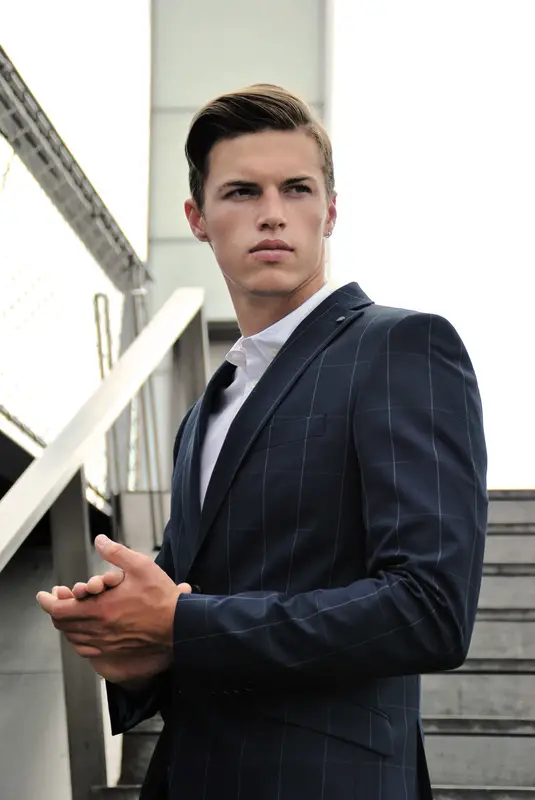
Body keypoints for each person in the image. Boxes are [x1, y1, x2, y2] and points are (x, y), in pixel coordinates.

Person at [38, 84, 487, 800]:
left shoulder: (401, 346)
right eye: (242, 191)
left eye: (297, 189)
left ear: (330, 211)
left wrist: (181, 626)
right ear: (198, 218)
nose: (272, 213)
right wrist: (137, 648)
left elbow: (430, 608)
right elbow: (189, 605)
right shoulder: (205, 411)